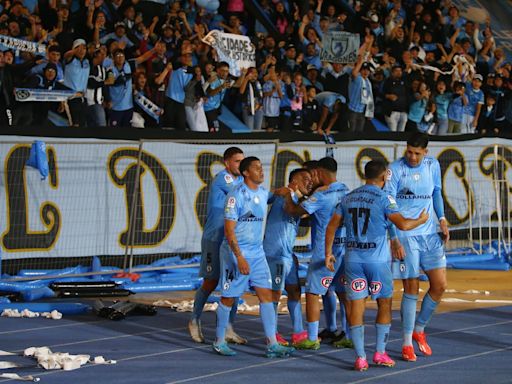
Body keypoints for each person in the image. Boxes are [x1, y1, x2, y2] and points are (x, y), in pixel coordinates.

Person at [325, 160, 429, 371]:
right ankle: (380, 352)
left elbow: (332, 226)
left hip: (353, 260)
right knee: (384, 303)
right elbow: (402, 224)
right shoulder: (385, 198)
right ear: (384, 177)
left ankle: (360, 357)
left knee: (356, 305)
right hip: (377, 262)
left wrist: (328, 253)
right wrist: (420, 220)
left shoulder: (348, 197)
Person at [213, 156, 295, 358]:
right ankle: (219, 340)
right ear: (246, 172)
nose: (261, 170)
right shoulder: (236, 195)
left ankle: (272, 344)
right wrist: (239, 258)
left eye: (261, 166)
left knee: (266, 295)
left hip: (258, 254)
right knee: (229, 297)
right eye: (257, 168)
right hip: (237, 253)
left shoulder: (261, 192)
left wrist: (281, 191)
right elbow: (229, 231)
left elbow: (269, 195)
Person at [385, 132, 450, 362]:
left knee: (439, 285)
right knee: (411, 287)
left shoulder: (433, 165)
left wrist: (441, 219)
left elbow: (436, 193)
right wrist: (394, 238)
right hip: (405, 235)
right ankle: (405, 344)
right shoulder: (394, 169)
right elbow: (388, 204)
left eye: (417, 153)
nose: (412, 157)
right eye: (409, 152)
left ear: (426, 152)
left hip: (430, 233)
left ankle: (419, 329)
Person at [280, 157, 350, 350]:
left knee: (312, 292)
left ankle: (311, 337)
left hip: (324, 253)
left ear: (318, 172)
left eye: (312, 175)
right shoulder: (345, 189)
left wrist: (288, 194)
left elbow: (294, 211)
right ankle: (347, 334)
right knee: (343, 293)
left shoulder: (321, 195)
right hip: (343, 250)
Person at [189, 147, 246, 345]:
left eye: (242, 161)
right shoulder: (224, 179)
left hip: (231, 241)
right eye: (237, 161)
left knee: (234, 283)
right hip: (215, 238)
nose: (240, 165)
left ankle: (229, 327)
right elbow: (244, 195)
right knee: (211, 281)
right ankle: (194, 320)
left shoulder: (240, 181)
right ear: (226, 163)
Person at [263, 168, 313, 346]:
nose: (310, 182)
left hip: (287, 254)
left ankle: (298, 332)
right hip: (275, 254)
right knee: (275, 293)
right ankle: (272, 334)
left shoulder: (295, 199)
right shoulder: (285, 195)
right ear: (294, 180)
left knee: (294, 290)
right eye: (306, 178)